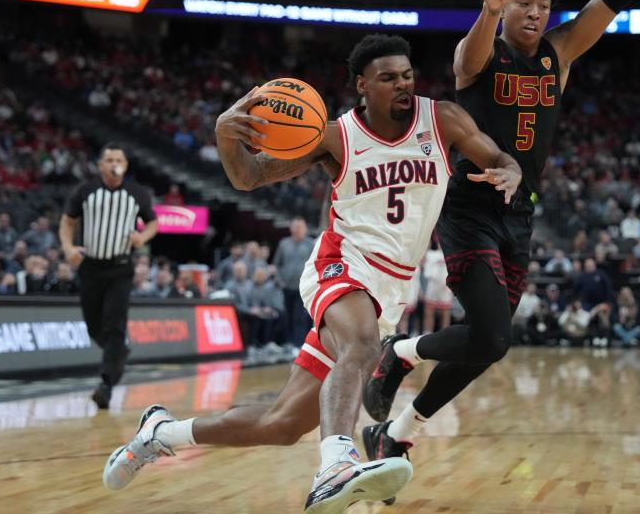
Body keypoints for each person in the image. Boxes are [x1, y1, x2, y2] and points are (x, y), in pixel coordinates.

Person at [100, 34, 522, 514]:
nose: (403, 85)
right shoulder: (335, 135)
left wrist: (510, 173)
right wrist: (224, 134)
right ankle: (335, 466)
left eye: (407, 75)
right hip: (341, 265)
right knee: (362, 348)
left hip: (391, 287)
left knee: (281, 425)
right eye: (388, 78)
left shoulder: (442, 119)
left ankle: (160, 433)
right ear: (362, 85)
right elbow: (250, 177)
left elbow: (499, 157)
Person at [362, 0, 640, 466]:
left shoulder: (559, 54)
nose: (536, 13)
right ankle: (400, 352)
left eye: (544, 5)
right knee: (492, 336)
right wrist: (487, 13)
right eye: (524, 3)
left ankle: (398, 433)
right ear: (505, 3)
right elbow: (468, 57)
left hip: (522, 214)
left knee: (488, 348)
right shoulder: (480, 55)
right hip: (468, 208)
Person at [59, 142, 158, 409]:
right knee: (94, 325)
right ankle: (118, 353)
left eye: (120, 159)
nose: (115, 163)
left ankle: (106, 383)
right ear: (101, 165)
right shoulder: (85, 191)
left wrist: (142, 237)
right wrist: (68, 247)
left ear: (125, 166)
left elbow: (153, 223)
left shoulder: (137, 193)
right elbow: (68, 221)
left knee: (115, 323)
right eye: (110, 159)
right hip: (90, 266)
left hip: (120, 268)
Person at [274, 216, 315, 348]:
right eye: (295, 226)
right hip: (286, 287)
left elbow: (315, 265)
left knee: (300, 318)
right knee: (287, 316)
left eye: (300, 227)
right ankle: (288, 344)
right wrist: (279, 280)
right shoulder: (283, 243)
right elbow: (277, 264)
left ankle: (300, 345)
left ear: (305, 229)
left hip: (303, 289)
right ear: (290, 228)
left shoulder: (310, 244)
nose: (297, 229)